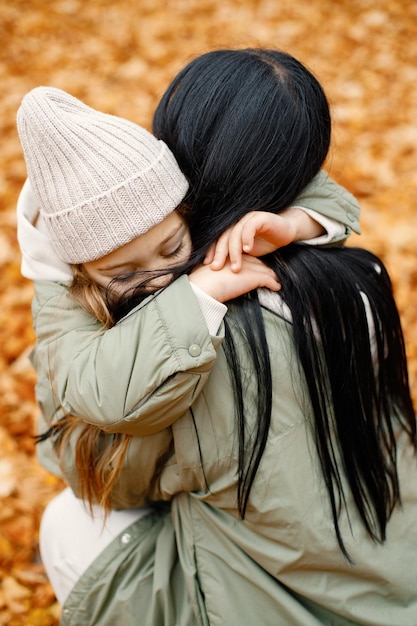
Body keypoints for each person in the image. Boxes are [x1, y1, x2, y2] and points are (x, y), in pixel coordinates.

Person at [17, 49, 417, 626]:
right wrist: (304, 223)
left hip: (274, 607)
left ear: (185, 180)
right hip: (393, 566)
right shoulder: (359, 280)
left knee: (69, 521)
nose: (156, 276)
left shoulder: (195, 344)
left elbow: (105, 478)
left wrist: (55, 279)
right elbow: (330, 199)